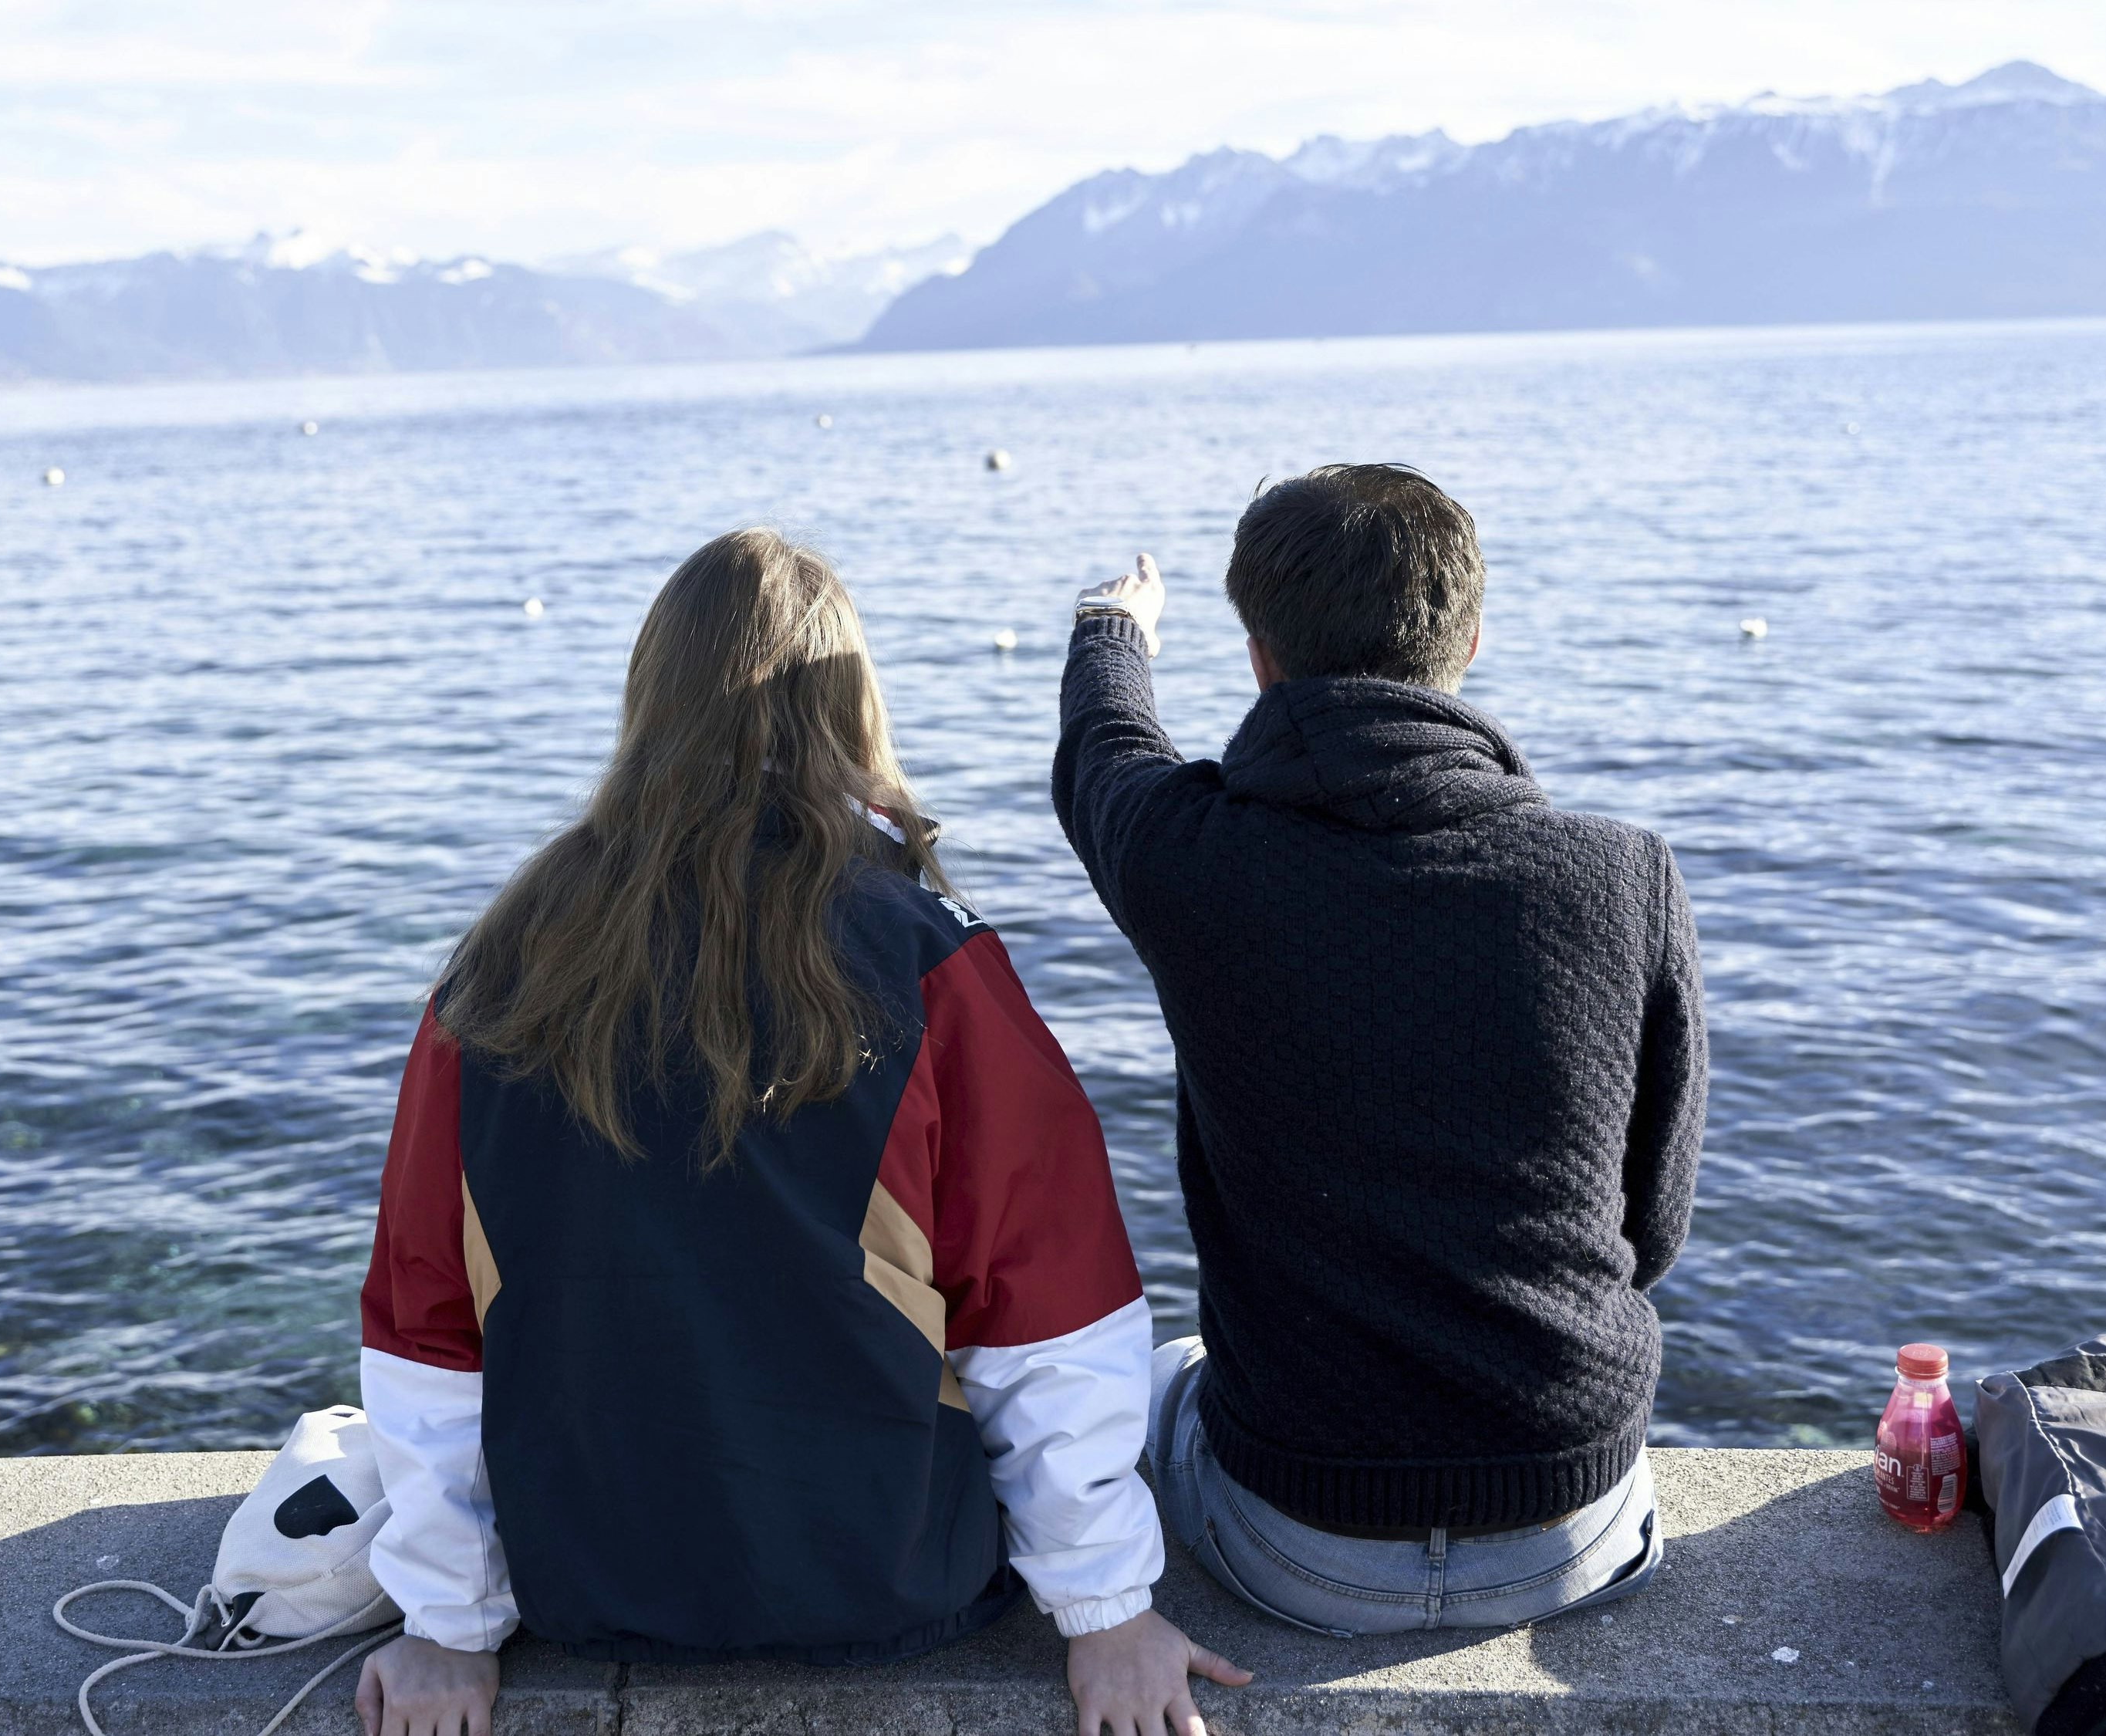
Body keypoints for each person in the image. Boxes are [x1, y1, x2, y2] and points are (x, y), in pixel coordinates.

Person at [350, 529, 1246, 1736]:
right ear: (849, 704)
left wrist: (448, 1625)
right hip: (894, 1575)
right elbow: (1048, 1315)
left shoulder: (496, 973)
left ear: (649, 699)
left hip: (589, 1578)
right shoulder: (932, 962)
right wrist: (1107, 1610)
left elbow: (427, 1330)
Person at [1052, 465, 1706, 1636]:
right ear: (1471, 640)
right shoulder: (1623, 877)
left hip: (1296, 1544)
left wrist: (1113, 628)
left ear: (1260, 659)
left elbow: (1106, 752)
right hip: (1575, 1527)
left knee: (1162, 1370)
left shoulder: (1191, 859)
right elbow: (1647, 1236)